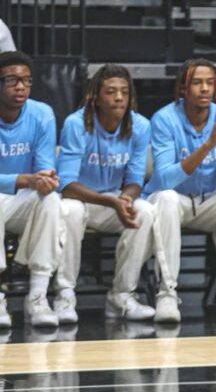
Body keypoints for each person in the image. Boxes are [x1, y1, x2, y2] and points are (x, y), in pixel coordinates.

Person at [144, 59, 216, 324]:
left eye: (210, 83)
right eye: (197, 83)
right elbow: (165, 179)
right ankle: (167, 293)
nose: (204, 88)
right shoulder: (164, 119)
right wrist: (209, 144)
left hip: (208, 200)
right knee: (166, 199)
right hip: (173, 200)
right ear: (183, 88)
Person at [57, 65, 160, 323]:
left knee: (145, 211)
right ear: (95, 97)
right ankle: (64, 295)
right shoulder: (76, 124)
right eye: (111, 92)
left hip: (111, 200)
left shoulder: (140, 125)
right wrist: (113, 202)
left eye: (124, 92)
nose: (119, 98)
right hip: (79, 199)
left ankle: (122, 295)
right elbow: (66, 184)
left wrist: (125, 199)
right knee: (70, 211)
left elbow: (135, 180)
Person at [0, 51, 62, 328]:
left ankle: (38, 295)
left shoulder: (42, 114)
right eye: (12, 80)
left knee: (51, 200)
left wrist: (47, 179)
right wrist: (25, 180)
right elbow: (28, 179)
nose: (21, 87)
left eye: (26, 80)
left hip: (20, 202)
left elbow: (45, 166)